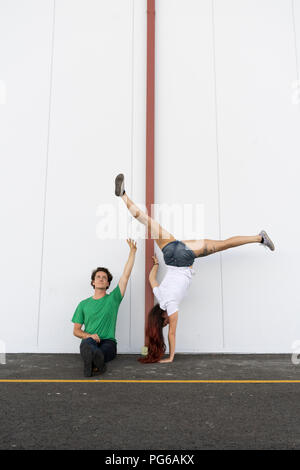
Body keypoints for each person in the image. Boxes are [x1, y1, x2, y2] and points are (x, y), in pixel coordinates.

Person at [115, 173, 275, 364]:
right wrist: (156, 265)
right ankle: (123, 195)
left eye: (164, 324)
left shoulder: (171, 307)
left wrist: (171, 357)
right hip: (169, 252)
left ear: (163, 320)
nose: (167, 324)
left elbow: (172, 334)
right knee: (146, 221)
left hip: (184, 257)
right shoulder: (160, 296)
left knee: (224, 244)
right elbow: (152, 280)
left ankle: (259, 238)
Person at [72, 238, 137, 376]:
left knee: (103, 351)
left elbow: (125, 276)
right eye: (98, 277)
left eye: (104, 277)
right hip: (90, 341)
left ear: (108, 284)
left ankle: (92, 363)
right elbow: (76, 331)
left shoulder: (113, 298)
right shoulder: (83, 304)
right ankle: (95, 363)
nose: (101, 279)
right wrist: (90, 336)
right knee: (87, 345)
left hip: (108, 342)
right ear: (93, 282)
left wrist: (132, 252)